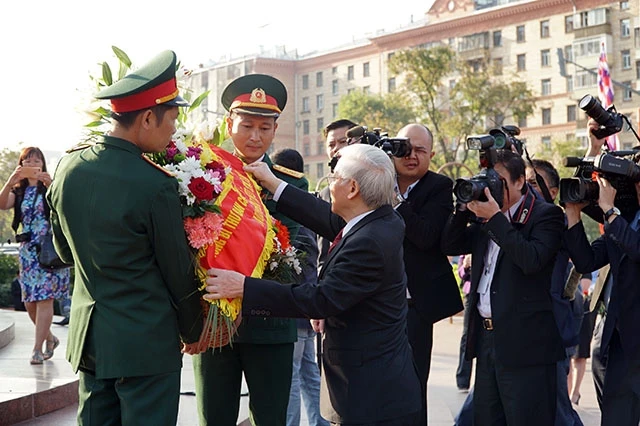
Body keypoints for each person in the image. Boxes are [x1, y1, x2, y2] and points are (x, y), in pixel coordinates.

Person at [204, 143, 425, 425]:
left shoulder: (369, 241)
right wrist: (275, 184)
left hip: (373, 399)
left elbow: (320, 300)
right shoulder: (380, 219)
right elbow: (327, 218)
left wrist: (244, 287)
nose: (330, 185)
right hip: (378, 386)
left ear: (353, 189)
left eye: (335, 179)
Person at [47, 50, 204, 426]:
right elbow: (176, 269)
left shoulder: (68, 166)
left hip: (92, 341)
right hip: (146, 344)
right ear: (148, 117)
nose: (174, 129)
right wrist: (194, 328)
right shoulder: (154, 185)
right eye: (172, 118)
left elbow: (64, 252)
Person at [192, 73, 309, 426]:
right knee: (214, 417)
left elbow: (299, 250)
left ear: (275, 131)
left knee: (271, 418)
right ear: (229, 123)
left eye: (264, 128)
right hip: (213, 319)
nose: (255, 137)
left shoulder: (290, 183)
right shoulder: (203, 174)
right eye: (246, 126)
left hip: (270, 322)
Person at [442, 149, 565, 425]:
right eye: (486, 179)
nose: (491, 186)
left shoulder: (545, 216)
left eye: (498, 180)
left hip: (527, 348)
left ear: (520, 181)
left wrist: (496, 217)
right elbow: (450, 245)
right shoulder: (485, 219)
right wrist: (463, 208)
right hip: (486, 341)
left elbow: (531, 260)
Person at [562, 122, 640, 426]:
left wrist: (609, 213)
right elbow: (585, 258)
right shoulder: (628, 219)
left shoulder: (619, 221)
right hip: (624, 346)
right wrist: (573, 215)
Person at [392, 124, 462, 407]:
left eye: (420, 150)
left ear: (431, 154)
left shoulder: (440, 186)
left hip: (415, 306)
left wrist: (395, 198)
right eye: (404, 148)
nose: (411, 156)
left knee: (413, 385)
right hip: (375, 301)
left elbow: (426, 236)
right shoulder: (373, 179)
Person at [272, 148, 328, 426]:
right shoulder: (306, 204)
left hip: (295, 304)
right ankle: (321, 422)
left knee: (291, 376)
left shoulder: (290, 209)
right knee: (308, 374)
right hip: (307, 303)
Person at [0, 147, 70, 364]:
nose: (32, 162)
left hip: (49, 250)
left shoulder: (49, 186)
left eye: (36, 159)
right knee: (30, 302)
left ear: (42, 163)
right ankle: (50, 338)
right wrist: (11, 180)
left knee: (45, 300)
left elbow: (65, 205)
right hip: (28, 252)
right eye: (27, 159)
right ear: (21, 164)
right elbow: (2, 204)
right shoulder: (19, 191)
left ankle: (37, 349)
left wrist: (51, 184)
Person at [317, 119, 357, 269]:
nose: (336, 149)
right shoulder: (325, 192)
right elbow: (323, 248)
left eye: (342, 142)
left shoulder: (371, 185)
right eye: (331, 145)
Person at [568, 271, 595, 406]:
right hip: (567, 312)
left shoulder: (584, 266)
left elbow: (584, 289)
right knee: (567, 358)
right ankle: (568, 393)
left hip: (583, 311)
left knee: (579, 356)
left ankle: (574, 393)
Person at [455, 253, 473, 392]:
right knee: (467, 335)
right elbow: (460, 272)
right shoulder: (467, 249)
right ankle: (463, 379)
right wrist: (466, 265)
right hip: (470, 292)